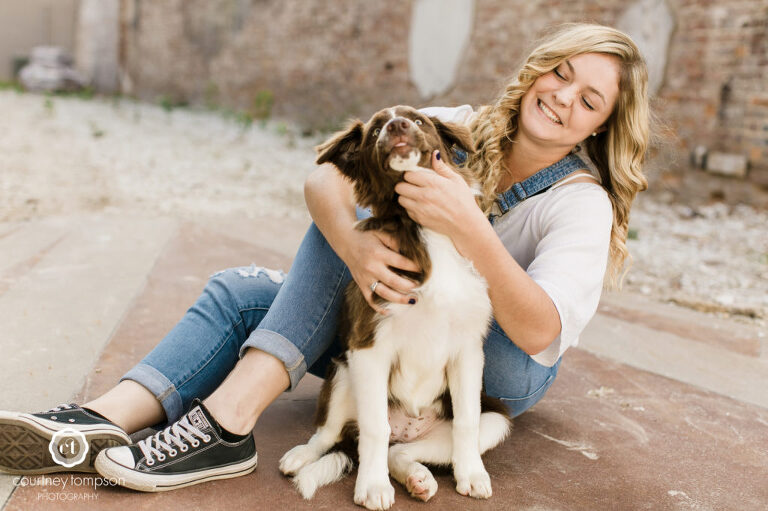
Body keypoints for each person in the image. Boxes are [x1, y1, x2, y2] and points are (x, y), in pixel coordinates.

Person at [0, 22, 649, 493]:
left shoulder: (579, 203)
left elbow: (541, 331)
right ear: (538, 69)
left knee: (373, 236)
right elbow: (325, 178)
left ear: (598, 127)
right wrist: (355, 246)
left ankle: (227, 424)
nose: (564, 96)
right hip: (401, 318)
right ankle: (102, 424)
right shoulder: (460, 127)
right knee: (257, 280)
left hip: (491, 367)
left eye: (589, 99)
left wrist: (466, 227)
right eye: (560, 72)